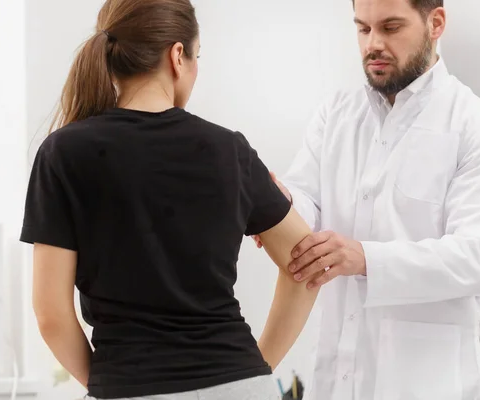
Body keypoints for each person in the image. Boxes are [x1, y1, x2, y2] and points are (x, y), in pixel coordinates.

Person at [19, 0, 321, 399]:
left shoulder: (63, 153)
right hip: (239, 385)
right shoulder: (229, 150)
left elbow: (51, 315)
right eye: (198, 57)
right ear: (177, 56)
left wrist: (111, 381)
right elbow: (307, 264)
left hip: (129, 386)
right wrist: (258, 367)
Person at [255, 0, 480, 399]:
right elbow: (308, 197)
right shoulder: (336, 116)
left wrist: (365, 259)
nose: (372, 44)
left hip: (424, 382)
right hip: (335, 378)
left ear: (436, 23)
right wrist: (282, 204)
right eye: (363, 29)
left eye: (391, 28)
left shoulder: (479, 127)